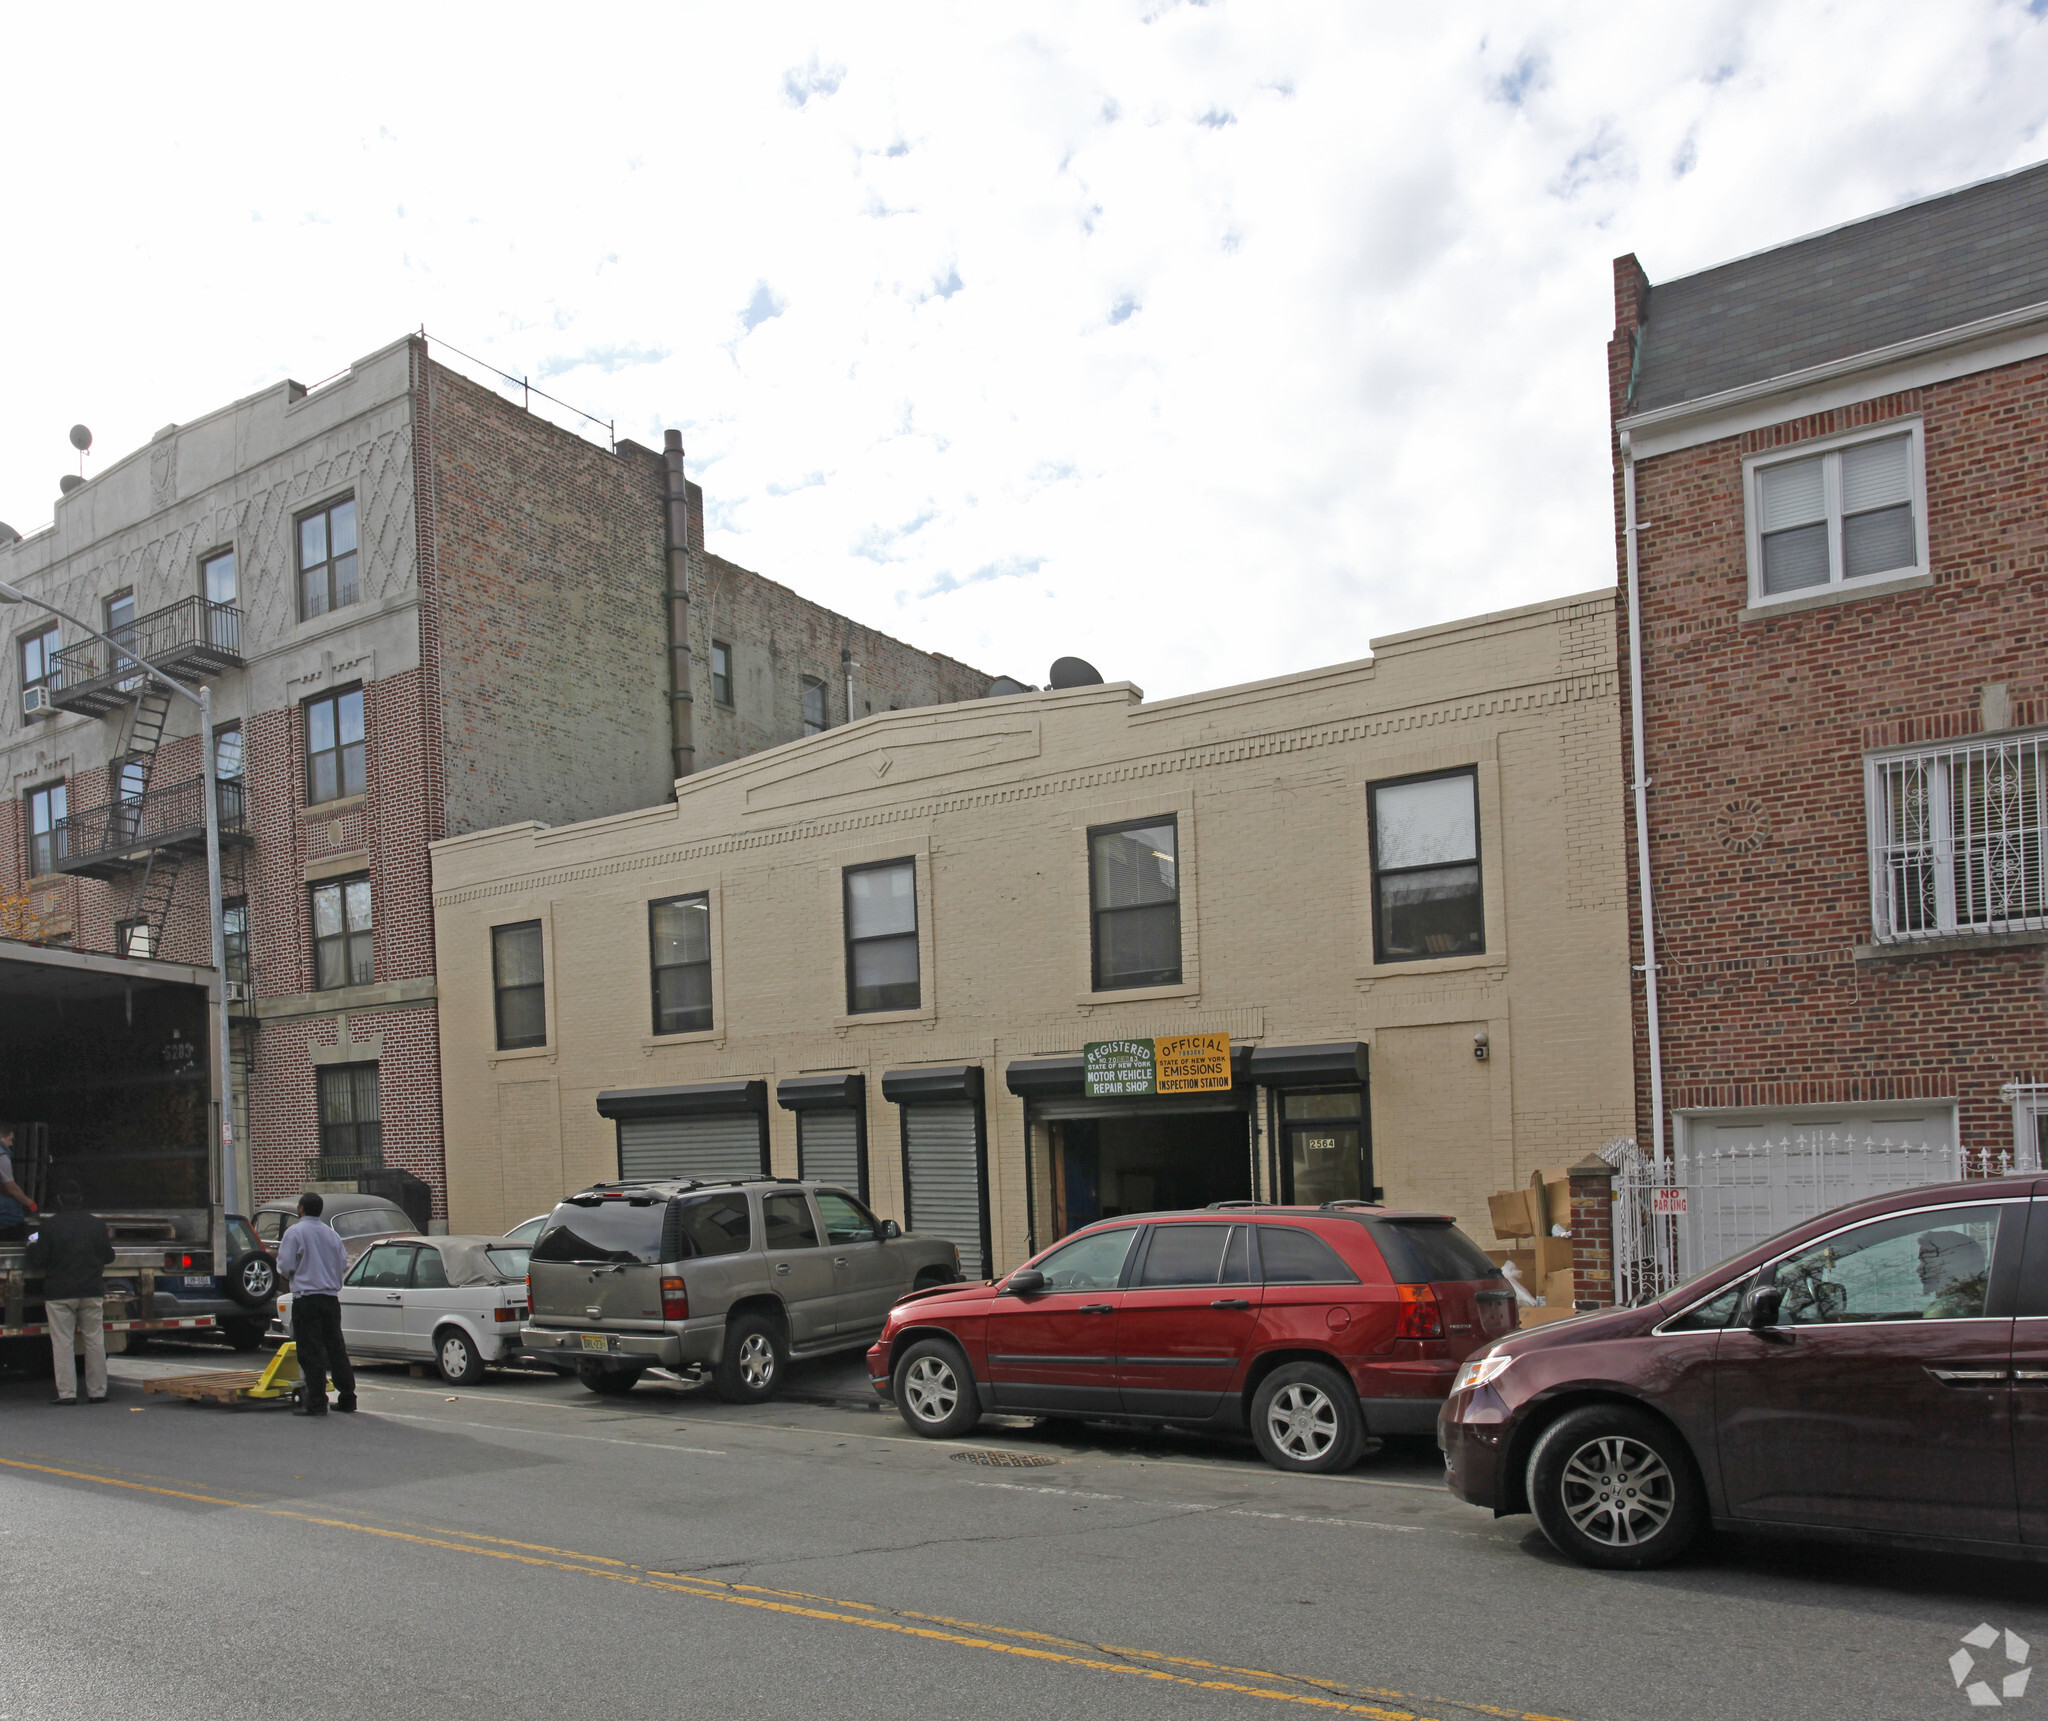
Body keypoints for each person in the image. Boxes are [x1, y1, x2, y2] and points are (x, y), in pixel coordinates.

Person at [24, 1181, 115, 1405]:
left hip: (60, 1293)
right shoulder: (96, 1225)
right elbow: (109, 1256)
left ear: (59, 1200)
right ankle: (97, 1392)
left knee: (63, 1343)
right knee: (94, 1341)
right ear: (81, 1199)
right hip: (91, 1290)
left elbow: (39, 1259)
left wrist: (30, 1245)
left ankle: (67, 1394)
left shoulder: (50, 1226)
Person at [274, 1192, 357, 1416]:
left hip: (307, 1297)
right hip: (330, 1298)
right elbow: (342, 1263)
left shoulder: (295, 1232)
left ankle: (317, 1401)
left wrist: (294, 1274)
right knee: (336, 1347)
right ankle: (348, 1397)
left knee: (311, 1351)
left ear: (301, 1209)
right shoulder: (332, 1235)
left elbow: (285, 1265)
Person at [1917, 1229, 1988, 1320]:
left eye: (1926, 1261)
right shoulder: (1974, 1302)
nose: (1919, 1269)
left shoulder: (1942, 1310)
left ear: (1948, 1264)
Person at [0, 1123, 40, 1243]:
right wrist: (30, 1203)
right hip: (6, 1215)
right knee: (17, 1221)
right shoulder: (2, 1155)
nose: (11, 1144)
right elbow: (12, 1189)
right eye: (9, 1139)